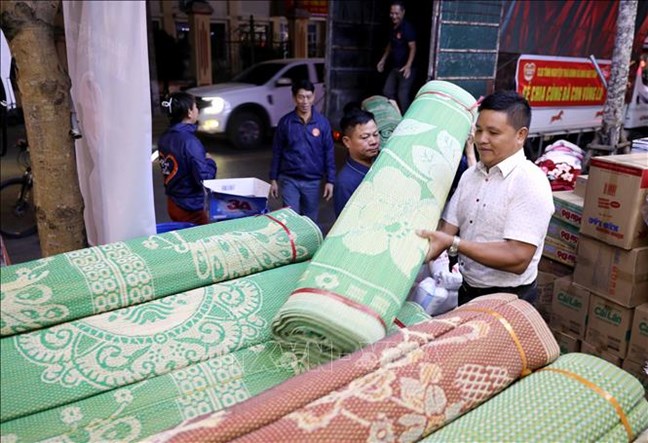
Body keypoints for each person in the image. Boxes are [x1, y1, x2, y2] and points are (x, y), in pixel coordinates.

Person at [417, 91, 554, 306]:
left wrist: (455, 243)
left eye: (493, 132)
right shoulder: (469, 177)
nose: (481, 140)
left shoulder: (530, 182)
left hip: (509, 299)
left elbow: (518, 258)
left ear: (520, 135)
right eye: (479, 130)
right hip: (468, 291)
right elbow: (446, 230)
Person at [269, 79, 335, 222]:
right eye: (301, 97)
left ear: (314, 96)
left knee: (309, 221)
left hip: (313, 181)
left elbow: (328, 152)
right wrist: (273, 178)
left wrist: (330, 180)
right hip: (289, 180)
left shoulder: (322, 123)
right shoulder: (286, 122)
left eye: (308, 97)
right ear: (294, 98)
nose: (305, 101)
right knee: (290, 220)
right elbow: (277, 151)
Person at [158, 92, 216, 225]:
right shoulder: (190, 142)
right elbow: (204, 179)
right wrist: (210, 162)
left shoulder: (164, 137)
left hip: (173, 203)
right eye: (195, 106)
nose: (197, 110)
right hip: (191, 208)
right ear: (189, 112)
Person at [333, 106, 380, 217]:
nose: (373, 141)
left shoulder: (383, 162)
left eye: (375, 134)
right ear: (347, 142)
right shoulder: (345, 183)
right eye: (365, 137)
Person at [376, 1, 416, 113]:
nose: (394, 16)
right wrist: (383, 60)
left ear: (403, 12)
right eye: (392, 13)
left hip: (406, 68)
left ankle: (406, 118)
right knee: (387, 91)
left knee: (402, 94)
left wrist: (408, 66)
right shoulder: (393, 27)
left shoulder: (407, 28)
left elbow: (413, 47)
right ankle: (395, 115)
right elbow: (390, 44)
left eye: (397, 13)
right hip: (395, 67)